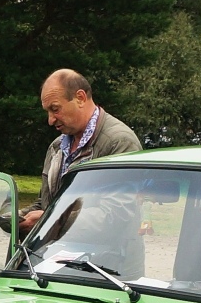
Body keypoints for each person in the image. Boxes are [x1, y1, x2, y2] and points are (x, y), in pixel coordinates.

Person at [18, 69, 141, 233]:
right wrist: (17, 217)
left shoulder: (120, 142)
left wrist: (51, 219)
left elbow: (118, 214)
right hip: (57, 253)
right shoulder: (57, 146)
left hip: (106, 258)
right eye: (47, 111)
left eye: (55, 109)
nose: (50, 120)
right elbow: (45, 204)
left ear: (80, 98)